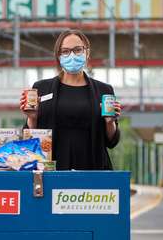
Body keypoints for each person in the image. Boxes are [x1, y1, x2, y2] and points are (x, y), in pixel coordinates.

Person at [19, 29, 120, 170]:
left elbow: (112, 141)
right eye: (65, 51)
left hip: (93, 171)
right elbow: (30, 141)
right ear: (59, 56)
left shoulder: (104, 91)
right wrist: (32, 119)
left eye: (78, 50)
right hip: (52, 171)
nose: (72, 55)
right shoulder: (41, 89)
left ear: (87, 52)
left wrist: (110, 123)